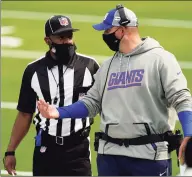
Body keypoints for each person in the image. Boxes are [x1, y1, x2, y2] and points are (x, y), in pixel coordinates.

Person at [37, 5, 192, 176]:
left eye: (108, 29)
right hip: (109, 157)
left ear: (123, 29)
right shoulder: (107, 66)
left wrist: (189, 134)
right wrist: (57, 113)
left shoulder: (160, 59)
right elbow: (91, 103)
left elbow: (181, 97)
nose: (105, 35)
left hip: (149, 157)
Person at [3, 15, 99, 176]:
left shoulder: (89, 66)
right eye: (61, 37)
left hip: (78, 149)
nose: (67, 41)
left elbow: (104, 104)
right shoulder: (33, 70)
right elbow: (25, 113)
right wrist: (10, 151)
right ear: (48, 41)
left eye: (69, 36)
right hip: (46, 148)